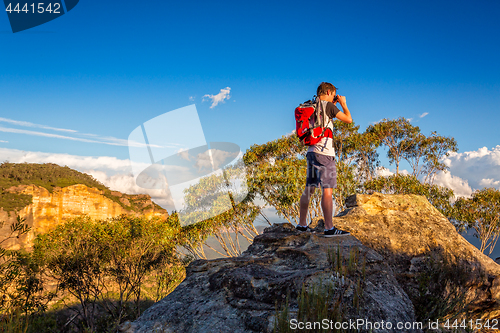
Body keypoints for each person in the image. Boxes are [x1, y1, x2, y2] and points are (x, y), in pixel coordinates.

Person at [296, 82, 352, 237]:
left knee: (309, 189)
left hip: (311, 152)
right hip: (325, 154)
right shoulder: (329, 106)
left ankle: (302, 224)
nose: (334, 97)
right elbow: (348, 119)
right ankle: (329, 228)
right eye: (334, 94)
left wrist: (333, 103)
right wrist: (343, 104)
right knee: (327, 191)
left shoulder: (312, 105)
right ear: (329, 92)